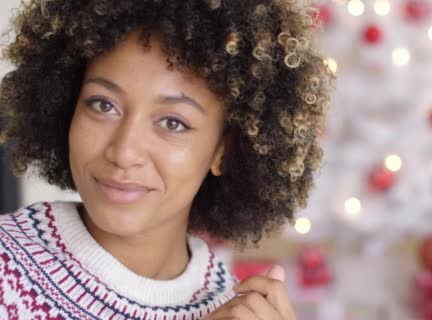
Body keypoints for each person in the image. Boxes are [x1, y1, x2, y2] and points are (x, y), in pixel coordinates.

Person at [0, 0, 331, 319]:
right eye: (103, 105)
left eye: (173, 123)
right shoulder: (7, 266)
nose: (124, 151)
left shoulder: (236, 310)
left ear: (224, 151)